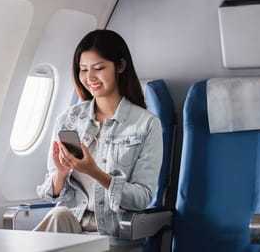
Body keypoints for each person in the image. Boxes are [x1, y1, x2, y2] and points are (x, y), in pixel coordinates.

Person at [34, 29, 163, 236]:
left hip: (112, 234)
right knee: (58, 216)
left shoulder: (146, 124)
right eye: (83, 69)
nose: (89, 77)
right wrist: (61, 172)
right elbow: (51, 194)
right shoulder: (69, 120)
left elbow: (142, 198)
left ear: (120, 66)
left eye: (98, 68)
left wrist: (95, 173)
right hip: (71, 225)